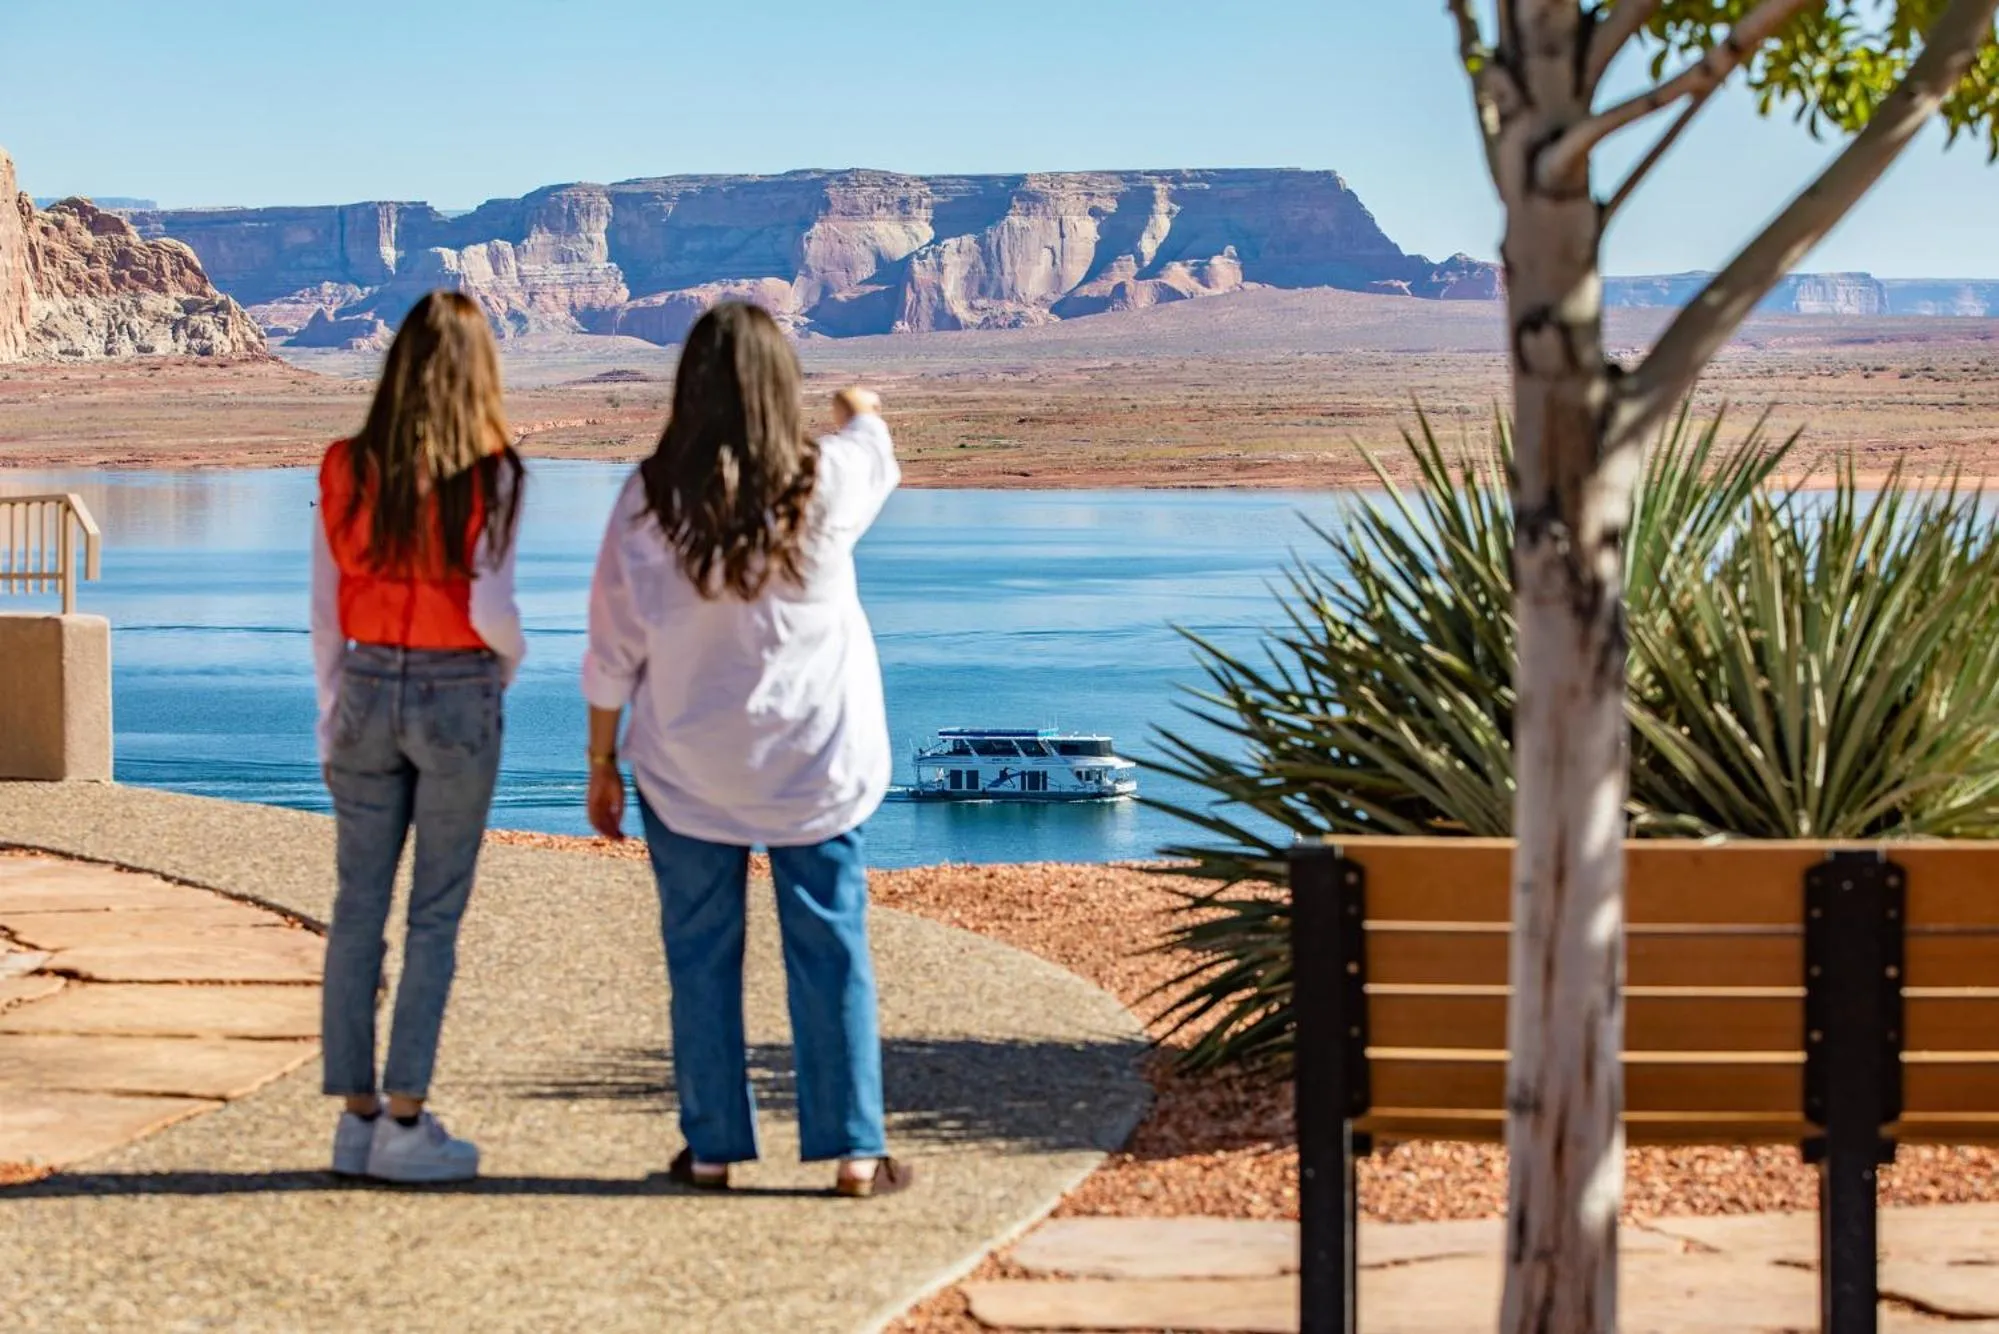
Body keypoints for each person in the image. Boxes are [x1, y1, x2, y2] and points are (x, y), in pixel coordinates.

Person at [581, 301, 912, 1198]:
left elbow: (611, 647)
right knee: (830, 949)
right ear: (779, 387)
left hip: (687, 772)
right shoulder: (825, 479)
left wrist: (601, 762)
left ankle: (716, 1146)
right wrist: (860, 403)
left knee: (699, 953)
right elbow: (875, 446)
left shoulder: (650, 495)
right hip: (817, 766)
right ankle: (854, 1150)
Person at [311, 290, 526, 1184]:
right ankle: (407, 1120)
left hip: (362, 682)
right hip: (454, 690)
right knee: (433, 913)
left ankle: (357, 1122)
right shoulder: (492, 471)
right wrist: (499, 672)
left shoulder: (343, 464)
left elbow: (324, 604)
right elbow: (491, 606)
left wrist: (335, 705)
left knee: (358, 904)